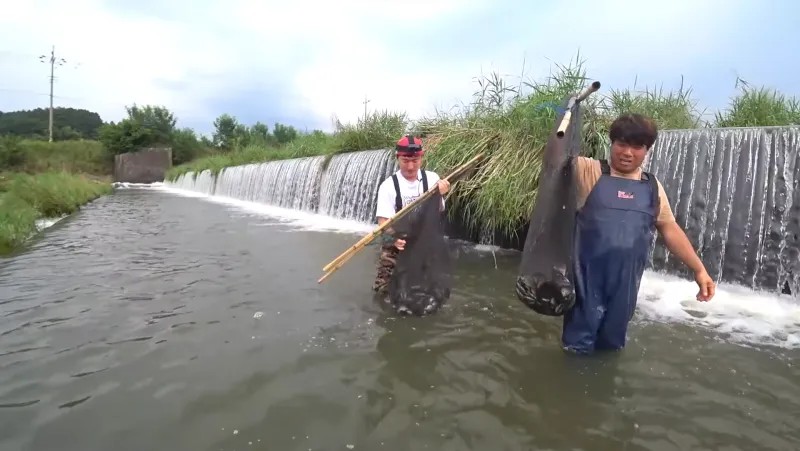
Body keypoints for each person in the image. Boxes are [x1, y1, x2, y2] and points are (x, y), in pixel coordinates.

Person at [562, 113, 716, 354]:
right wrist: (568, 112)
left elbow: (669, 228)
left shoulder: (652, 186)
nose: (627, 153)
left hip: (626, 286)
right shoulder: (587, 170)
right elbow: (554, 156)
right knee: (576, 349)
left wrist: (699, 270)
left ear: (647, 150)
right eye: (621, 144)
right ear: (611, 143)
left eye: (637, 147)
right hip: (585, 282)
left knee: (611, 349)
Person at [372, 134, 450, 295]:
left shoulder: (433, 179)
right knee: (383, 291)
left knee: (427, 290)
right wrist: (394, 239)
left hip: (424, 241)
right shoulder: (388, 186)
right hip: (396, 242)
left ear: (422, 158)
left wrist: (441, 194)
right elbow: (383, 223)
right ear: (397, 158)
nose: (410, 167)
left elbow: (439, 211)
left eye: (415, 161)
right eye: (405, 161)